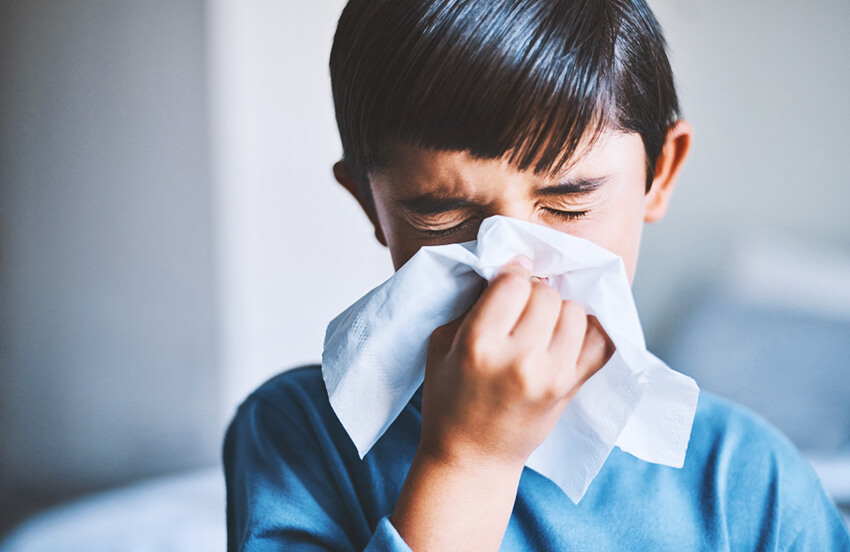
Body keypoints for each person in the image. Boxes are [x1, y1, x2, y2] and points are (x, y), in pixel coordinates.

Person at [223, 0, 850, 550]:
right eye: (442, 212)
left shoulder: (749, 481)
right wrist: (468, 462)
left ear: (660, 174)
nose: (511, 268)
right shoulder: (298, 434)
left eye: (569, 204)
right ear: (370, 204)